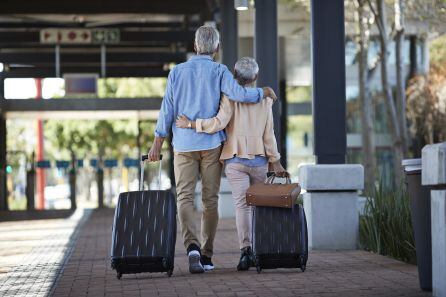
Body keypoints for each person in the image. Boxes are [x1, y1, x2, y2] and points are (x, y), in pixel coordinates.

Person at [147, 26, 277, 274]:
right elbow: (239, 94)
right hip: (211, 146)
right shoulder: (220, 71)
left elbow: (168, 108)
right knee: (210, 200)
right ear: (216, 49)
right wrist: (263, 92)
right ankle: (206, 255)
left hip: (183, 145)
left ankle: (192, 247)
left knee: (184, 197)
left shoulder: (177, 72)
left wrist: (157, 141)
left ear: (196, 46)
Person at [176, 57, 286, 271]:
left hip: (235, 160)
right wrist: (276, 161)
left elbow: (219, 123)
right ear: (255, 77)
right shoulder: (265, 100)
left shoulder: (229, 98)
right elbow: (269, 134)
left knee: (242, 206)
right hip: (260, 160)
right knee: (258, 206)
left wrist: (191, 124)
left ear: (234, 75)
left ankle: (245, 251)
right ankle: (259, 250)